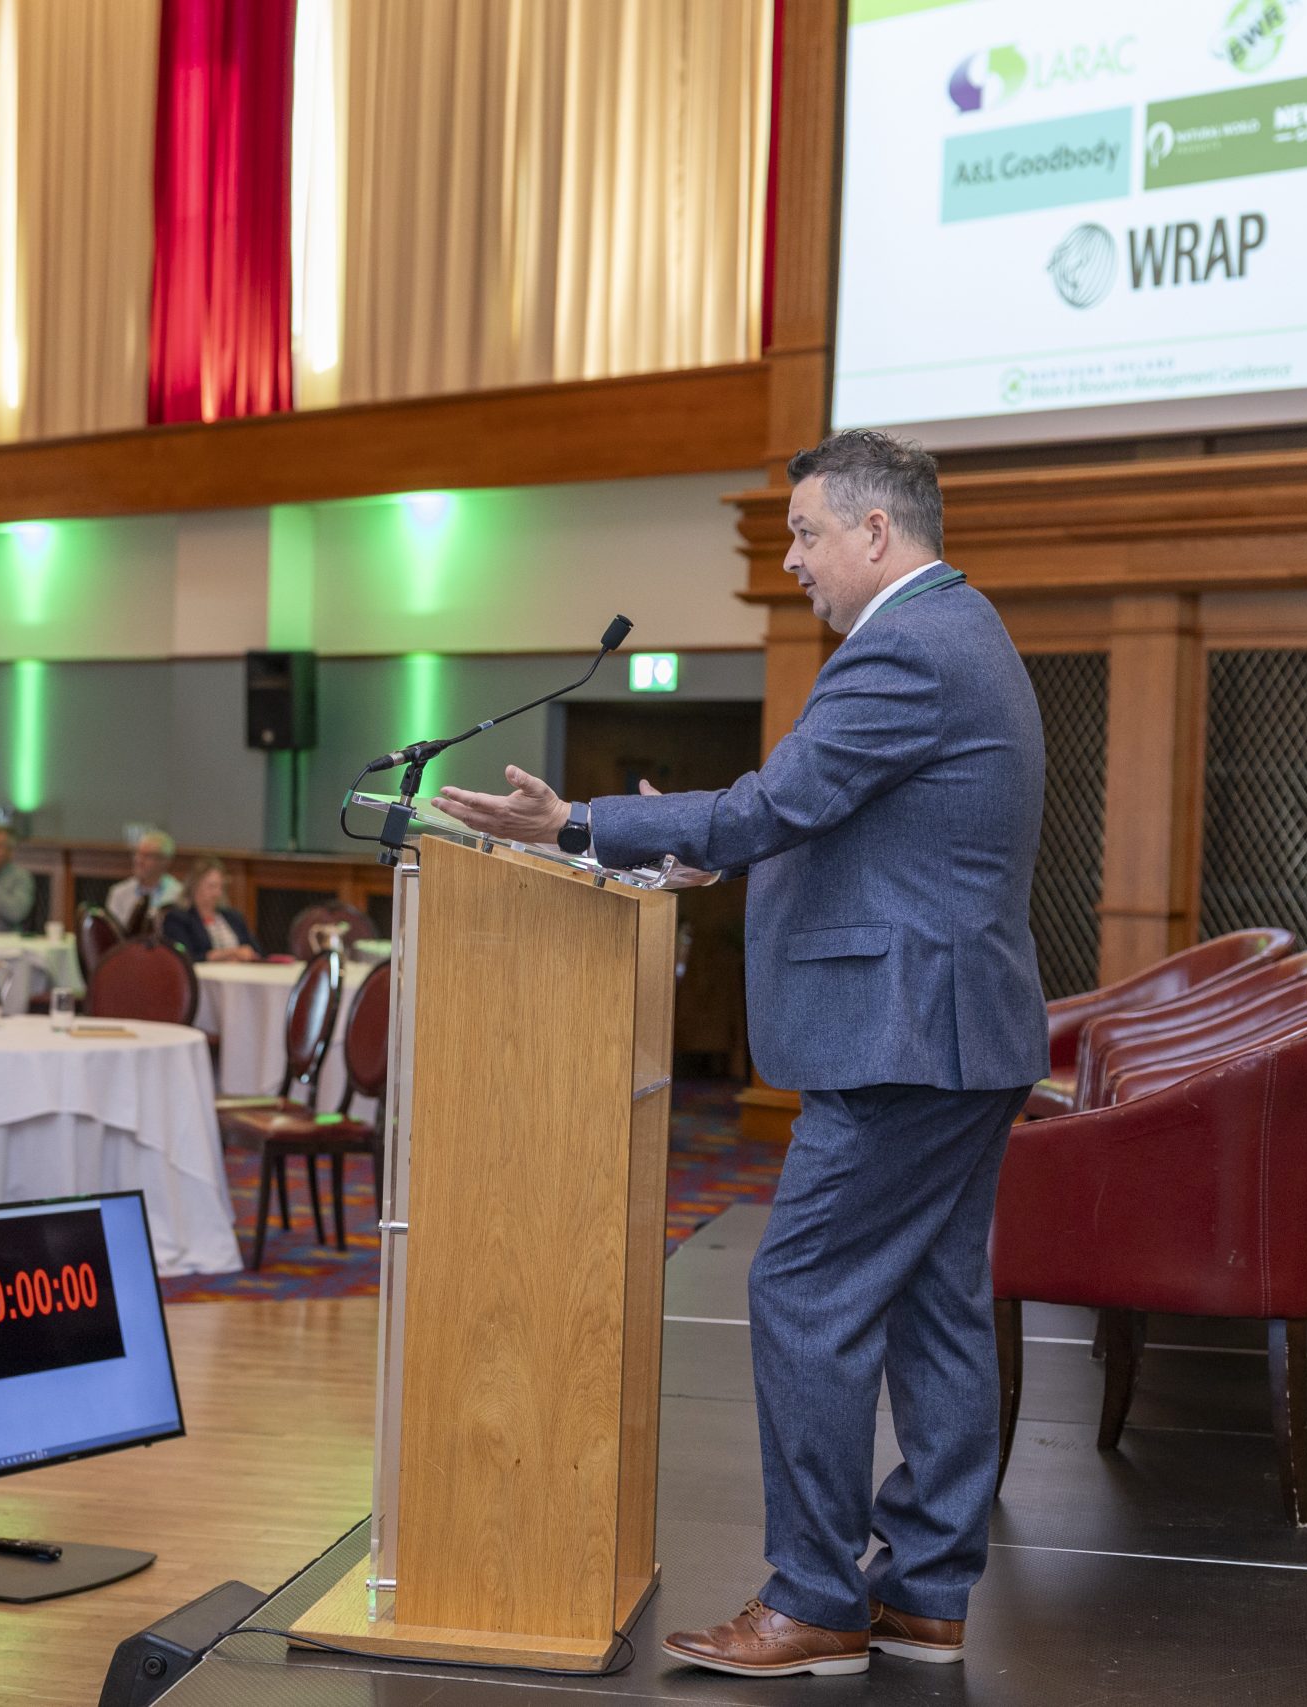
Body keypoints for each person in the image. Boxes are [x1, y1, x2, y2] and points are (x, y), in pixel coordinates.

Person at [436, 430, 1045, 1680]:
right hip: (951, 1029)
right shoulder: (957, 630)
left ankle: (816, 1597)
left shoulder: (907, 646)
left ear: (874, 531)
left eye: (805, 533)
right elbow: (851, 820)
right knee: (935, 1308)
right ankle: (923, 1592)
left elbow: (780, 802)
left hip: (901, 1039)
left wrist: (581, 822)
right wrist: (707, 848)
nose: (792, 559)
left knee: (803, 1291)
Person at [159, 857, 260, 963]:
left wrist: (246, 955)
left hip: (241, 971)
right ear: (194, 886)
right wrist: (229, 953)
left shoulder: (234, 917)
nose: (217, 893)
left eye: (221, 887)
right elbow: (183, 957)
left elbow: (257, 951)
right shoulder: (177, 919)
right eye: (212, 886)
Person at [105, 829, 184, 932]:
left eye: (147, 856)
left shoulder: (179, 895)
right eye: (138, 854)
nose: (139, 860)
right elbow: (112, 934)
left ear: (164, 861)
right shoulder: (118, 893)